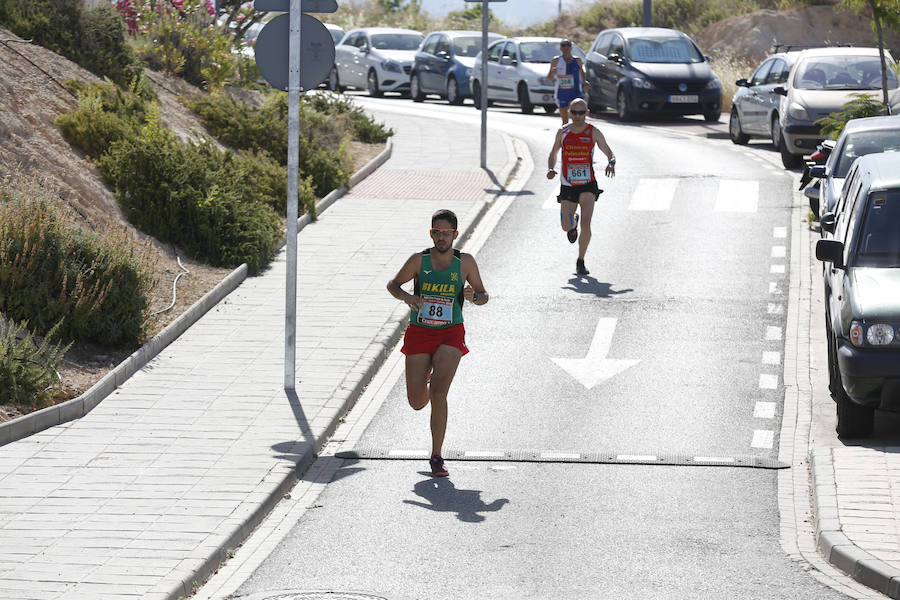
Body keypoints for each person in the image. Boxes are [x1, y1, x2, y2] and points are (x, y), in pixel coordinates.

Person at [386, 209, 489, 477]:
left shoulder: (465, 263)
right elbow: (393, 285)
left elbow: (483, 295)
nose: (441, 237)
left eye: (446, 233)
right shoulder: (418, 261)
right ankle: (428, 374)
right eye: (436, 232)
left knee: (438, 393)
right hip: (420, 332)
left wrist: (475, 297)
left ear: (455, 234)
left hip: (450, 334)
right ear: (431, 234)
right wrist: (407, 298)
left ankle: (436, 456)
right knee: (416, 402)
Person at [547, 97, 616, 276]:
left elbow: (608, 150)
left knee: (587, 223)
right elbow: (553, 153)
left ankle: (581, 260)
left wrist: (611, 162)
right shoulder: (563, 132)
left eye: (581, 113)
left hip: (587, 184)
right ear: (569, 113)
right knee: (565, 226)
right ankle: (573, 222)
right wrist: (551, 168)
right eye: (574, 112)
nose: (577, 116)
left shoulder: (593, 132)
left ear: (587, 113)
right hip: (568, 184)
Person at [547, 39, 589, 125]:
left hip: (575, 91)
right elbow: (549, 78)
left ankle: (577, 132)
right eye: (563, 45)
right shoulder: (556, 60)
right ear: (560, 48)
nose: (566, 47)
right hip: (562, 92)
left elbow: (582, 72)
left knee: (577, 117)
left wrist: (584, 81)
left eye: (568, 45)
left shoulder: (577, 60)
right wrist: (553, 73)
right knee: (565, 120)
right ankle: (564, 133)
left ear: (571, 47)